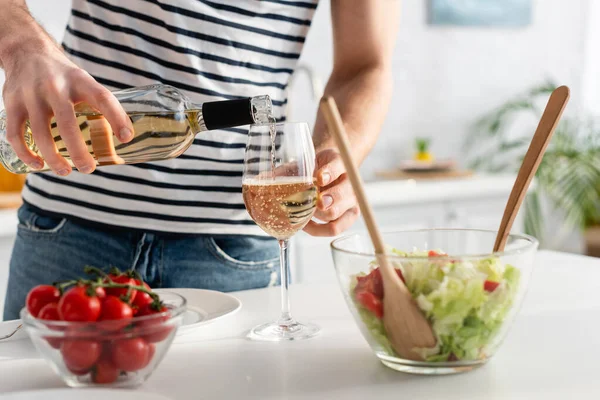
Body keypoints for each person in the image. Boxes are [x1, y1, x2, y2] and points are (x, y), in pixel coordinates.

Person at [0, 0, 399, 320]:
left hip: (233, 249)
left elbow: (366, 65)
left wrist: (332, 160)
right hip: (68, 230)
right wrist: (22, 42)